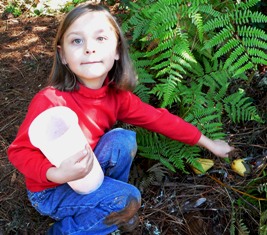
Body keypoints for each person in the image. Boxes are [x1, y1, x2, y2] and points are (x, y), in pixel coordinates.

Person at [8, 3, 234, 235]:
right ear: (63, 55)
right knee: (129, 200)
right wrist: (56, 173)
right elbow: (18, 152)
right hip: (52, 191)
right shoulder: (50, 101)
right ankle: (68, 229)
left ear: (117, 50)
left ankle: (106, 205)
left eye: (101, 39)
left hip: (88, 172)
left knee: (123, 140)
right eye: (77, 41)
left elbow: (159, 119)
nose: (89, 49)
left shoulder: (116, 96)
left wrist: (209, 143)